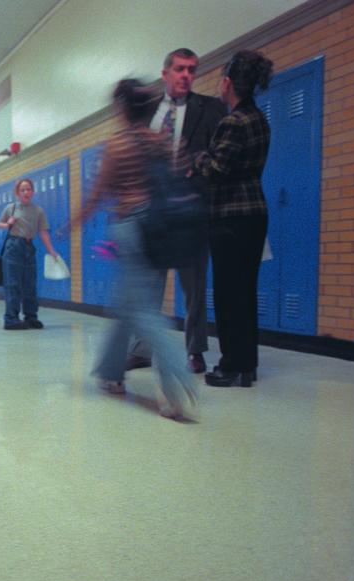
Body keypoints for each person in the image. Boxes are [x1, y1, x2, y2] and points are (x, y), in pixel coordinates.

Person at [65, 79, 197, 419]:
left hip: (129, 227)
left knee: (144, 312)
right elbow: (180, 177)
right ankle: (110, 374)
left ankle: (176, 382)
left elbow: (97, 193)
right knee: (129, 305)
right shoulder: (162, 142)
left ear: (122, 108)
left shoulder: (117, 145)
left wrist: (73, 223)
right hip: (160, 228)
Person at [127, 48, 227, 374]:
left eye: (192, 70)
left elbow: (217, 156)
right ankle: (142, 350)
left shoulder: (209, 109)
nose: (186, 75)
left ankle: (195, 350)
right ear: (165, 73)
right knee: (149, 286)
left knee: (194, 286)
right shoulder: (148, 112)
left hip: (189, 210)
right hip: (153, 212)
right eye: (180, 69)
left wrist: (194, 173)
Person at [193, 50, 273, 388]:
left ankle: (230, 364)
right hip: (255, 215)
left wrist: (199, 158)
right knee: (246, 291)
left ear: (228, 83)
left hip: (229, 218)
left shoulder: (232, 121)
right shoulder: (259, 118)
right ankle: (247, 365)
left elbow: (217, 170)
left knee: (227, 294)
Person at [0, 178, 60, 330]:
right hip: (13, 247)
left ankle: (31, 317)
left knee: (30, 284)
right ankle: (11, 319)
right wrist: (8, 223)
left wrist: (51, 250)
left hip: (28, 247)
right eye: (22, 190)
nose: (26, 192)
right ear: (18, 193)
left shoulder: (38, 210)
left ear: (32, 191)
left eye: (28, 189)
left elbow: (43, 231)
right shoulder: (11, 208)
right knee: (13, 284)